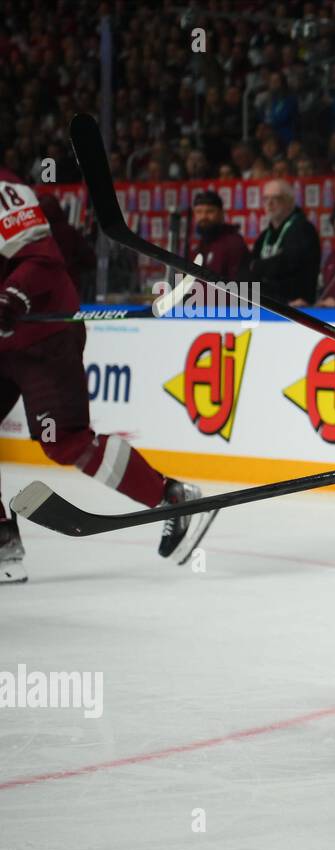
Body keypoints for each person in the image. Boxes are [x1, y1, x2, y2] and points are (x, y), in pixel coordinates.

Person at [0, 171, 214, 583]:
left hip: (43, 337)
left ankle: (172, 497)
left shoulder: (5, 191)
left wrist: (11, 295)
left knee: (64, 440)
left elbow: (42, 258)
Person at [250, 179, 321, 304]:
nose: (269, 203)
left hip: (295, 308)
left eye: (276, 198)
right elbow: (249, 267)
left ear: (290, 202)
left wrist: (260, 266)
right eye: (266, 198)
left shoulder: (302, 229)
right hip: (267, 305)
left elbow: (289, 263)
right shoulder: (265, 235)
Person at [188, 190, 249, 281]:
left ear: (221, 214)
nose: (204, 216)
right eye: (199, 212)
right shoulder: (199, 246)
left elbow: (238, 287)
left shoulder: (233, 243)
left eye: (210, 211)